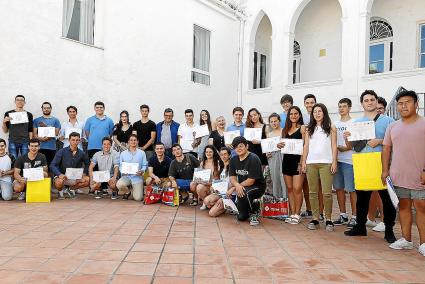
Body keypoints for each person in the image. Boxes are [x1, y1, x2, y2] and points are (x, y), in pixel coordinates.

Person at [344, 90, 397, 244]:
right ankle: (360, 227)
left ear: (376, 101)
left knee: (386, 199)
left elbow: (395, 141)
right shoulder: (355, 123)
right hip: (361, 161)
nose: (369, 102)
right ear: (362, 103)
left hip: (381, 162)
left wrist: (379, 141)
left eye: (372, 100)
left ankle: (389, 230)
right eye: (366, 100)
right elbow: (350, 146)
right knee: (362, 198)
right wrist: (346, 138)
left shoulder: (388, 121)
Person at [381, 90, 425, 256]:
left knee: (422, 208)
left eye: (407, 102)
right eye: (400, 103)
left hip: (420, 176)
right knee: (404, 207)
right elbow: (386, 149)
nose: (403, 106)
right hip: (398, 176)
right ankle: (406, 239)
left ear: (416, 104)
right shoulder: (392, 126)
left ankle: (423, 243)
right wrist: (385, 170)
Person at [301, 103, 337, 232]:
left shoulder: (331, 127)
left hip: (326, 163)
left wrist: (334, 162)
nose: (317, 113)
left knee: (327, 193)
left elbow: (334, 145)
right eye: (315, 111)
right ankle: (315, 218)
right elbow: (305, 146)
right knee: (312, 192)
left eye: (319, 111)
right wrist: (304, 162)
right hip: (311, 163)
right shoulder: (308, 129)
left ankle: (328, 219)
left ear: (324, 113)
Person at [229, 136, 266, 226]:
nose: (238, 149)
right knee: (241, 217)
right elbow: (232, 178)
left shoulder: (253, 158)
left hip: (257, 186)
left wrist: (235, 187)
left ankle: (255, 210)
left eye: (241, 146)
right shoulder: (233, 159)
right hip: (243, 186)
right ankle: (247, 208)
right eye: (236, 147)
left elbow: (251, 181)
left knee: (244, 192)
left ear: (247, 146)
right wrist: (237, 186)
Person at [278, 106, 306, 225]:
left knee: (297, 188)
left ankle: (297, 213)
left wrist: (301, 162)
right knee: (289, 189)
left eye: (296, 113)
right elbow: (281, 145)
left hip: (297, 162)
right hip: (287, 162)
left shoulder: (303, 128)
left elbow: (305, 146)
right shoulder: (284, 130)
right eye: (291, 114)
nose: (293, 116)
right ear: (288, 116)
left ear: (299, 115)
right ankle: (291, 212)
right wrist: (279, 145)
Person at [333, 98, 357, 229]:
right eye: (340, 106)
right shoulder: (334, 124)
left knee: (351, 189)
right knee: (338, 188)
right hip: (337, 160)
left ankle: (355, 216)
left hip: (350, 160)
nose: (341, 108)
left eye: (344, 106)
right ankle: (343, 215)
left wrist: (347, 147)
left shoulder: (354, 122)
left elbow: (358, 141)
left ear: (349, 108)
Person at [300, 94, 324, 219]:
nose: (309, 105)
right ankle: (309, 209)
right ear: (304, 104)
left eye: (312, 102)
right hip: (305, 153)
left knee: (319, 186)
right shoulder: (302, 118)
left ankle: (320, 212)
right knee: (306, 185)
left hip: (318, 155)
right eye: (307, 102)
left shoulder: (321, 116)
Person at [50, 132, 90, 199]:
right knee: (59, 182)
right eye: (73, 140)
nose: (75, 142)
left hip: (75, 177)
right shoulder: (62, 151)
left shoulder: (82, 153)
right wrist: (59, 174)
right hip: (62, 176)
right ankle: (60, 191)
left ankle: (70, 189)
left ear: (79, 141)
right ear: (69, 140)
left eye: (77, 140)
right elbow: (52, 165)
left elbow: (87, 164)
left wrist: (84, 173)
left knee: (87, 180)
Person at [203, 147, 236, 217]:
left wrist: (227, 194)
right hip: (221, 193)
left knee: (211, 213)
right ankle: (224, 207)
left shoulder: (233, 166)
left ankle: (227, 206)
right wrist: (213, 186)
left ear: (229, 155)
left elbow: (236, 183)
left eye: (225, 154)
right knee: (206, 201)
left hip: (230, 194)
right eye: (221, 155)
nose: (223, 156)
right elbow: (218, 181)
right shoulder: (220, 166)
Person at [116, 134, 148, 201]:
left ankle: (136, 189)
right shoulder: (123, 153)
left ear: (137, 142)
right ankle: (128, 191)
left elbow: (145, 165)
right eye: (131, 140)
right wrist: (123, 171)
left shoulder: (142, 153)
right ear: (128, 142)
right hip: (126, 177)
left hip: (137, 177)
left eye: (135, 140)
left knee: (138, 198)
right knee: (119, 184)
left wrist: (142, 171)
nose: (133, 142)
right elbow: (120, 165)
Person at [2, 95, 33, 159]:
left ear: (24, 102)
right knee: (13, 161)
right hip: (12, 141)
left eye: (22, 100)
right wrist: (4, 122)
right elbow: (5, 131)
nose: (20, 101)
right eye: (18, 100)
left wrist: (31, 142)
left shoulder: (29, 114)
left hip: (25, 141)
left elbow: (30, 130)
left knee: (25, 161)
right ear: (15, 102)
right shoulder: (8, 113)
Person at [33, 102, 61, 167]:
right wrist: (40, 138)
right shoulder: (36, 120)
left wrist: (45, 126)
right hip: (40, 147)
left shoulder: (55, 120)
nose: (46, 109)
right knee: (40, 167)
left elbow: (56, 133)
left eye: (48, 108)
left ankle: (51, 177)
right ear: (42, 109)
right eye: (44, 108)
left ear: (51, 109)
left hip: (52, 147)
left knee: (51, 166)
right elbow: (34, 134)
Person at [265, 113, 286, 199]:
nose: (274, 123)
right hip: (273, 158)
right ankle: (277, 202)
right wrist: (267, 153)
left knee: (284, 179)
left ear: (279, 121)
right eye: (271, 122)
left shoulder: (284, 131)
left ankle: (286, 201)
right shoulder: (269, 134)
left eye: (275, 121)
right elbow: (267, 149)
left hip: (283, 156)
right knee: (275, 179)